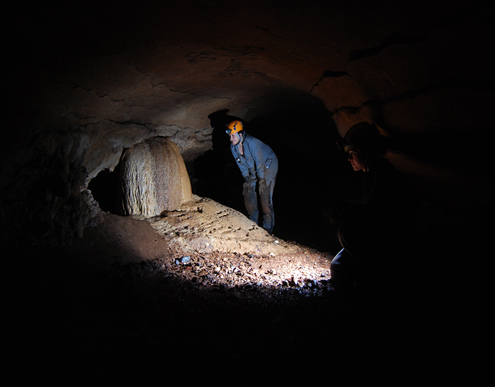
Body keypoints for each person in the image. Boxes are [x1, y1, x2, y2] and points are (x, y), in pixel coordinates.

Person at [329, 122, 419, 297]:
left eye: (352, 154)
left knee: (347, 230)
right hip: (381, 238)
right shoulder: (371, 176)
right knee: (338, 266)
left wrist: (347, 211)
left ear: (366, 153)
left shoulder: (386, 178)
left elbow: (382, 218)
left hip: (394, 245)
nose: (349, 159)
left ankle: (378, 284)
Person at [226, 120, 278, 234]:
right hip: (254, 167)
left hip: (268, 163)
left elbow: (260, 162)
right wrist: (247, 178)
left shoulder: (251, 142)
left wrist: (262, 180)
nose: (231, 139)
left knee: (264, 194)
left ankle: (267, 228)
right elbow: (242, 166)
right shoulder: (233, 147)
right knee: (249, 191)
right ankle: (252, 223)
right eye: (230, 136)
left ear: (240, 134)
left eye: (233, 136)